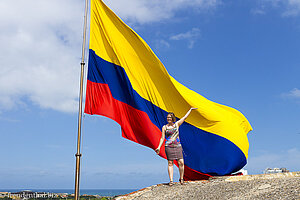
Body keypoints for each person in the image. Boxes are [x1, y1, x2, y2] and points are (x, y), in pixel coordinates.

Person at [155, 108, 198, 186]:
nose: (168, 119)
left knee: (181, 162)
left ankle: (181, 179)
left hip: (177, 146)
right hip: (168, 146)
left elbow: (184, 118)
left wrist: (190, 110)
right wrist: (158, 147)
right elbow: (162, 138)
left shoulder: (177, 124)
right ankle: (171, 180)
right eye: (167, 117)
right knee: (170, 163)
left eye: (170, 117)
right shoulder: (164, 127)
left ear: (173, 118)